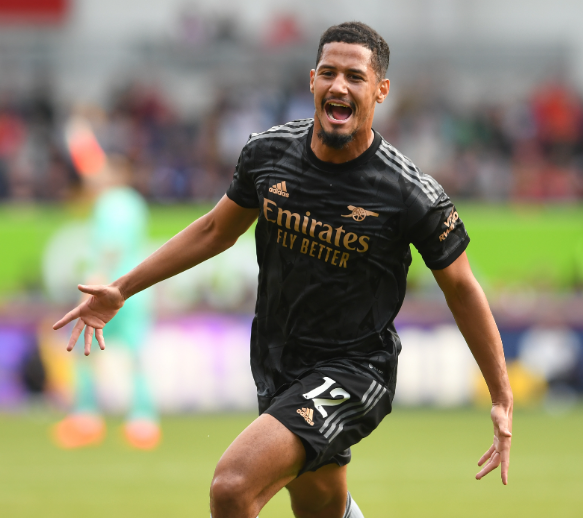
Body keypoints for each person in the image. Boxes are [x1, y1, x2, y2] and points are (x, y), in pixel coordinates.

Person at [53, 22, 513, 518]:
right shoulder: (268, 154)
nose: (339, 86)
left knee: (232, 487)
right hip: (278, 361)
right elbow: (215, 230)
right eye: (329, 73)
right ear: (312, 80)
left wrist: (501, 396)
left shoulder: (409, 193)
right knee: (321, 506)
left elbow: (461, 288)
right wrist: (122, 289)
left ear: (380, 90)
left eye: (355, 77)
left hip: (356, 369)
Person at [52, 114, 160, 450]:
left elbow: (111, 249)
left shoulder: (110, 204)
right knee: (135, 354)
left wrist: (94, 286)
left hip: (109, 291)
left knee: (82, 349)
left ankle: (86, 417)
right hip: (138, 292)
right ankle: (143, 421)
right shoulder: (135, 203)